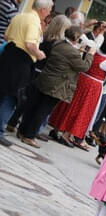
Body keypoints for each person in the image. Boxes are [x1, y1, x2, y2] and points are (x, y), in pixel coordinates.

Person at [17, 26, 94, 148]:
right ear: (76, 38)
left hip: (45, 79)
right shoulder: (72, 52)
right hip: (57, 86)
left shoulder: (59, 44)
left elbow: (66, 59)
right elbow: (84, 67)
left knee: (34, 107)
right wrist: (90, 55)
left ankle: (22, 131)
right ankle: (29, 136)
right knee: (42, 111)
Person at [50, 31, 106, 150]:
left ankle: (57, 129)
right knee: (82, 109)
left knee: (71, 104)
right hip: (93, 86)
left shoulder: (94, 51)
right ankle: (67, 135)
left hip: (82, 79)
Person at [7, 14, 72, 136]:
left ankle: (12, 122)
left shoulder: (44, 35)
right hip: (42, 73)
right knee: (30, 102)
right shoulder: (58, 43)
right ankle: (20, 126)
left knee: (25, 99)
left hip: (34, 69)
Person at [0, 0, 53, 147]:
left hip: (8, 54)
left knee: (2, 92)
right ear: (43, 9)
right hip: (21, 60)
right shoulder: (33, 21)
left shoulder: (20, 16)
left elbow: (6, 36)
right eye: (49, 9)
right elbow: (30, 44)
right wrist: (39, 53)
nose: (49, 12)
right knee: (12, 97)